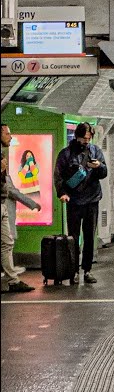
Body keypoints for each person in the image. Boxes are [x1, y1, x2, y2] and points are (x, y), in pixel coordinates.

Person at [54, 123, 107, 285]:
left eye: (89, 138)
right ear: (77, 136)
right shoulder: (66, 154)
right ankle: (74, 271)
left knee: (90, 236)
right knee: (74, 237)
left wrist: (99, 167)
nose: (86, 141)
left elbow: (104, 173)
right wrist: (62, 193)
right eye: (84, 138)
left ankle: (87, 270)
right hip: (74, 200)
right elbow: (58, 176)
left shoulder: (95, 151)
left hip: (92, 199)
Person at [2, 125, 38, 293]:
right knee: (6, 243)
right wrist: (31, 203)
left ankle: (12, 280)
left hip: (3, 205)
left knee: (7, 242)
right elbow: (9, 188)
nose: (10, 137)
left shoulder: (2, 156)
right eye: (7, 134)